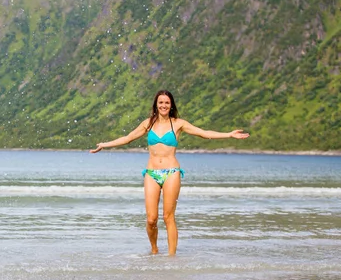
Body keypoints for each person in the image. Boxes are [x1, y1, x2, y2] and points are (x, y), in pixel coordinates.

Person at [90, 90, 249, 255]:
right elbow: (128, 138)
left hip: (172, 172)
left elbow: (204, 133)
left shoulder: (178, 124)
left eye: (167, 102)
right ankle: (154, 250)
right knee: (151, 219)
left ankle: (172, 257)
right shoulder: (148, 123)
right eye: (160, 102)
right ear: (156, 105)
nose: (163, 105)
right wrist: (105, 145)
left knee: (168, 216)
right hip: (151, 173)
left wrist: (229, 135)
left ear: (171, 105)